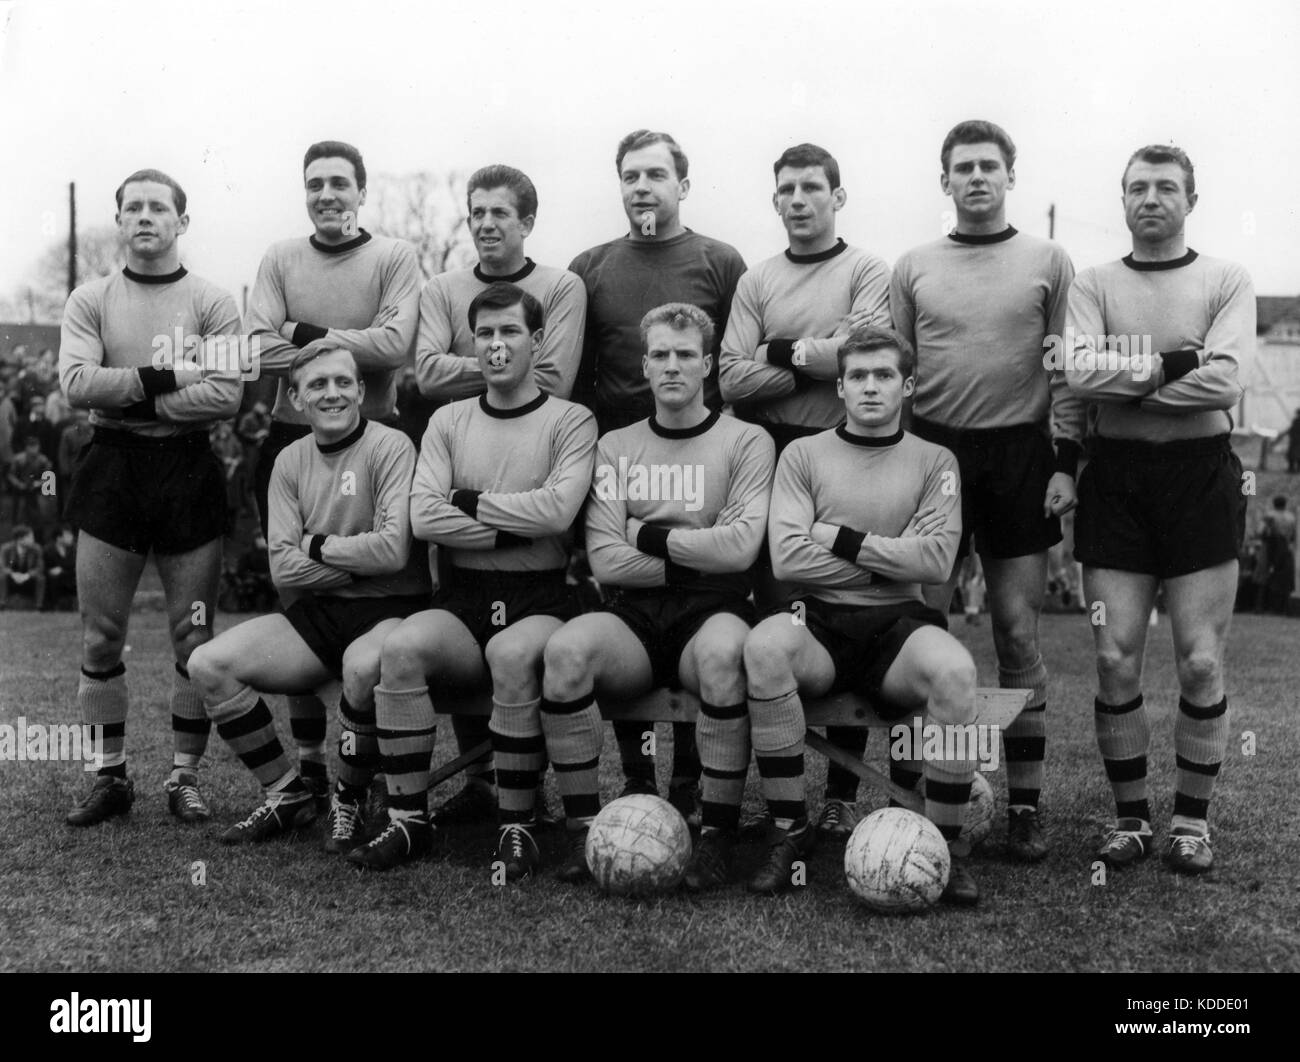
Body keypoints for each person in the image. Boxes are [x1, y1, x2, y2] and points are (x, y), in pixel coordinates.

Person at [350, 282, 596, 872]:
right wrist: (515, 523)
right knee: (403, 648)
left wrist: (469, 501)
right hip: (463, 596)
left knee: (513, 655)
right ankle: (410, 822)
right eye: (484, 333)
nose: (496, 345)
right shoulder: (447, 420)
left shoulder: (572, 419)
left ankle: (519, 825)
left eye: (509, 331)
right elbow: (424, 515)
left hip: (540, 596)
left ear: (536, 341)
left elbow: (558, 511)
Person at [731, 325, 980, 904]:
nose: (871, 387)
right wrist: (892, 555)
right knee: (765, 648)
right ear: (839, 387)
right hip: (814, 620)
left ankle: (942, 842)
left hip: (899, 624)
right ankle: (789, 832)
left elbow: (938, 561)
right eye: (858, 377)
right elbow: (789, 556)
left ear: (908, 385)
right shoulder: (802, 454)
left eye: (884, 375)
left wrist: (837, 538)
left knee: (957, 673)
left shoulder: (936, 460)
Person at [890, 120, 1082, 862]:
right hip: (935, 453)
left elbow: (1065, 374)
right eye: (962, 168)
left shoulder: (1050, 261)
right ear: (944, 182)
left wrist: (1065, 462)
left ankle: (1026, 808)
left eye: (989, 167)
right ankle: (915, 794)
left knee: (1015, 630)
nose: (976, 178)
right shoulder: (912, 265)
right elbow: (896, 371)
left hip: (1020, 454)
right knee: (924, 630)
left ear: (1010, 177)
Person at [1065, 144, 1253, 874]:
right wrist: (1177, 362)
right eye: (1138, 187)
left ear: (1190, 200)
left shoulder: (1225, 279)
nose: (1152, 198)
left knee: (1201, 661)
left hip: (1200, 479)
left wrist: (1126, 379)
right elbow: (1079, 371)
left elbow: (1226, 383)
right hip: (1116, 480)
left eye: (1167, 187)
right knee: (1114, 657)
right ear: (1122, 201)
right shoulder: (1093, 283)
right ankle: (1131, 820)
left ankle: (1192, 825)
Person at [542, 302, 774, 883]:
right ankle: (583, 830)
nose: (673, 366)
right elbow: (605, 560)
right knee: (567, 652)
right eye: (661, 356)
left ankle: (717, 834)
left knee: (725, 657)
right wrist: (701, 551)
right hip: (633, 612)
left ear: (710, 365)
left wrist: (644, 535)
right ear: (644, 366)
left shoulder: (746, 441)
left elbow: (741, 551)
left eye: (686, 355)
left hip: (715, 610)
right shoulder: (615, 446)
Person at [58, 168, 243, 827]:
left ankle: (184, 776)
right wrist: (168, 377)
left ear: (181, 222)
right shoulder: (90, 299)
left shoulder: (215, 301)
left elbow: (226, 395)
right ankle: (109, 777)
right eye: (131, 207)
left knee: (193, 635)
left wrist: (129, 390)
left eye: (157, 208)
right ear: (118, 221)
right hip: (112, 468)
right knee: (102, 632)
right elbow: (78, 383)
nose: (143, 217)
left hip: (187, 472)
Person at [569, 129, 748, 810]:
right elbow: (579, 376)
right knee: (626, 613)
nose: (640, 187)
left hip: (703, 456)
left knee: (705, 616)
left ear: (683, 183)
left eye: (654, 174)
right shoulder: (590, 266)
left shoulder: (720, 261)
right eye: (628, 176)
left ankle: (691, 779)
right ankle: (640, 779)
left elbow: (729, 363)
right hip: (623, 458)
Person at [186, 345, 430, 844]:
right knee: (207, 664)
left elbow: (393, 551)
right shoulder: (287, 460)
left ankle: (348, 797)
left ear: (361, 390)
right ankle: (286, 793)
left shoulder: (392, 446)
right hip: (319, 613)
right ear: (295, 399)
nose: (332, 393)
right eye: (317, 385)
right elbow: (282, 565)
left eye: (343, 382)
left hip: (390, 613)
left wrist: (316, 546)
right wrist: (359, 567)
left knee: (362, 668)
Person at [719, 142, 892, 840]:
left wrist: (775, 350)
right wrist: (809, 355)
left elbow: (856, 362)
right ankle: (781, 796)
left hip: (846, 455)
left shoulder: (866, 270)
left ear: (837, 197)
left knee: (846, 605)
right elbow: (731, 379)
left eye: (812, 188)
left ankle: (841, 794)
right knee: (778, 616)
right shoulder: (757, 280)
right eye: (785, 189)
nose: (798, 200)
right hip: (771, 453)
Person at [246, 140, 421, 810]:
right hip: (295, 439)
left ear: (360, 191)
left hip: (373, 436)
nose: (326, 195)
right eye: (314, 184)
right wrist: (348, 337)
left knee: (378, 586)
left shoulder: (393, 257)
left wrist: (302, 328)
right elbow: (259, 350)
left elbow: (395, 346)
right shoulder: (280, 257)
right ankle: (313, 768)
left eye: (339, 184)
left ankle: (365, 768)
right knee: (298, 602)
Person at [413, 163, 588, 827]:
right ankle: (479, 783)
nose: (486, 224)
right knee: (454, 618)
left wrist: (468, 503)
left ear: (527, 222)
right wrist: (495, 364)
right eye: (476, 212)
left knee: (514, 653)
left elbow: (553, 376)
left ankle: (525, 801)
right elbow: (425, 375)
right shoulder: (442, 287)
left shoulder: (561, 285)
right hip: (461, 445)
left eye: (500, 214)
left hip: (533, 449)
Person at [7, 435, 54, 539]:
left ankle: (39, 537)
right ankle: (19, 536)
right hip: (21, 493)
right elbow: (11, 475)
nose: (34, 449)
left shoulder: (43, 460)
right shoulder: (18, 459)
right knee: (20, 516)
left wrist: (38, 483)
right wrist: (19, 484)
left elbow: (48, 475)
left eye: (36, 446)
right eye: (31, 446)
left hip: (37, 492)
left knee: (40, 516)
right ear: (26, 447)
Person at [0, 525, 45, 610]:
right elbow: (2, 566)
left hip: (28, 577)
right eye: (30, 537)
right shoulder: (6, 549)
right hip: (12, 576)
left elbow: (40, 567)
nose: (33, 540)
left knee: (41, 579)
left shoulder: (36, 549)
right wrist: (13, 574)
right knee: (2, 577)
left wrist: (27, 575)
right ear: (20, 539)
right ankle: (2, 604)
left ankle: (39, 606)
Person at [42, 523, 78, 610]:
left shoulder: (74, 549)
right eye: (68, 535)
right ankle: (53, 607)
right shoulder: (48, 550)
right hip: (54, 580)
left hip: (70, 576)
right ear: (59, 538)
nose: (71, 537)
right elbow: (45, 567)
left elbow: (74, 566)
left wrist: (61, 569)